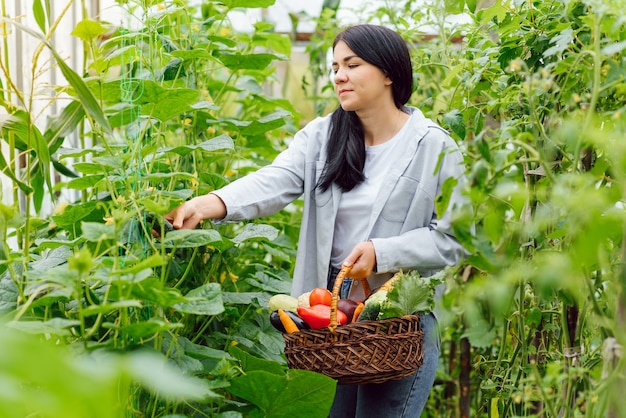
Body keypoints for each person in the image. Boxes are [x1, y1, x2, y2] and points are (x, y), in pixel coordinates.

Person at [166, 24, 468, 418]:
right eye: (335, 66)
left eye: (352, 64)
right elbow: (274, 180)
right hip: (327, 315)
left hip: (398, 319)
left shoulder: (434, 146)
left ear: (390, 72)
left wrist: (382, 253)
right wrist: (212, 202)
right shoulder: (323, 136)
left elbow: (457, 237)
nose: (339, 75)